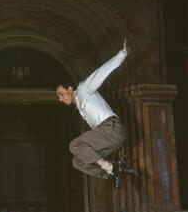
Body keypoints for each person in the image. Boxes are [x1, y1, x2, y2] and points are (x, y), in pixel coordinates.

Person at [55, 38, 139, 188]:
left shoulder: (83, 89)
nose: (60, 99)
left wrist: (122, 54)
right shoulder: (80, 108)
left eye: (61, 94)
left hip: (112, 128)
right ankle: (116, 171)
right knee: (77, 162)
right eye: (59, 97)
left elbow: (102, 72)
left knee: (75, 145)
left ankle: (109, 167)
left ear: (70, 89)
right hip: (110, 136)